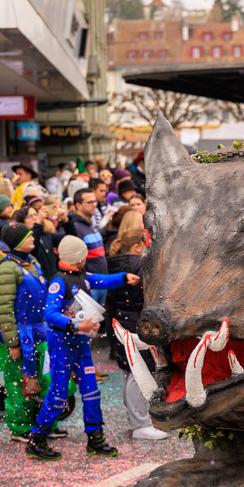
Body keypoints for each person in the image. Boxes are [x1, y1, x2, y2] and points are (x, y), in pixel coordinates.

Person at [25, 236, 139, 461]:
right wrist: (77, 325)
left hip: (81, 346)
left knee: (92, 393)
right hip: (62, 346)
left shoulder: (83, 276)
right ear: (79, 258)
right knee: (58, 396)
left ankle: (95, 438)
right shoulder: (58, 282)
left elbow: (103, 280)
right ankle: (36, 439)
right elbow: (49, 314)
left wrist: (124, 278)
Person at [0, 222, 65, 445]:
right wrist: (13, 342)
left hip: (39, 332)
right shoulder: (6, 268)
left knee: (43, 380)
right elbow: (3, 308)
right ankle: (20, 427)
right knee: (19, 383)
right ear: (17, 241)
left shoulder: (31, 262)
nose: (34, 238)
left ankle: (42, 424)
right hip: (21, 336)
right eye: (28, 236)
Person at [107, 230, 166, 441]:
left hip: (122, 321)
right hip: (137, 323)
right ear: (137, 247)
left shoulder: (113, 263)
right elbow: (145, 298)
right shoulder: (138, 265)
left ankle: (136, 420)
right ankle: (140, 423)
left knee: (127, 372)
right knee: (139, 373)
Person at [67, 189, 109, 305]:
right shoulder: (74, 227)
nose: (94, 205)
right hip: (88, 285)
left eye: (95, 202)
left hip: (101, 283)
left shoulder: (91, 226)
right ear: (78, 205)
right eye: (89, 202)